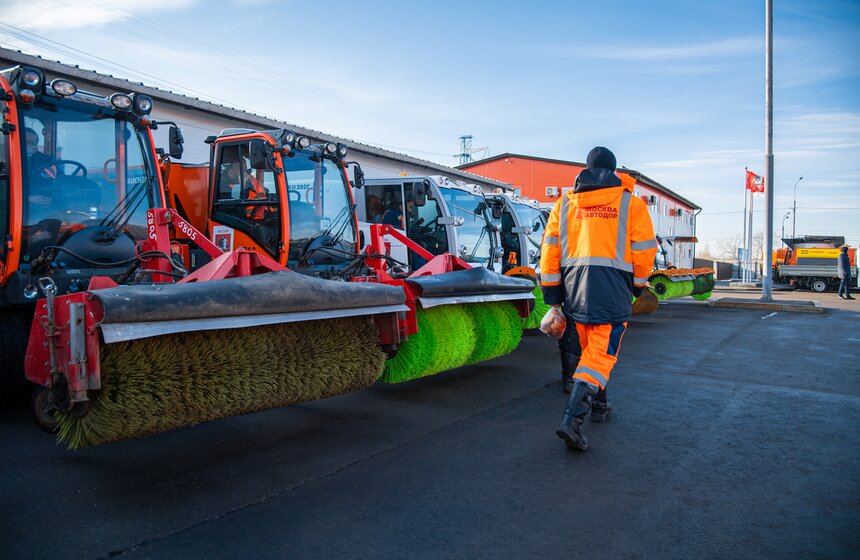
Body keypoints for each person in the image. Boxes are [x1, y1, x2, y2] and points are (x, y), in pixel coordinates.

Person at [540, 147, 657, 452]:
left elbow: (550, 253)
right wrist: (638, 285)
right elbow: (644, 251)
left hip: (574, 290)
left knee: (591, 352)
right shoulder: (631, 204)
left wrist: (552, 295)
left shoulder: (563, 204)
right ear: (614, 170)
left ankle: (600, 405)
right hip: (613, 287)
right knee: (600, 356)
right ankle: (572, 422)